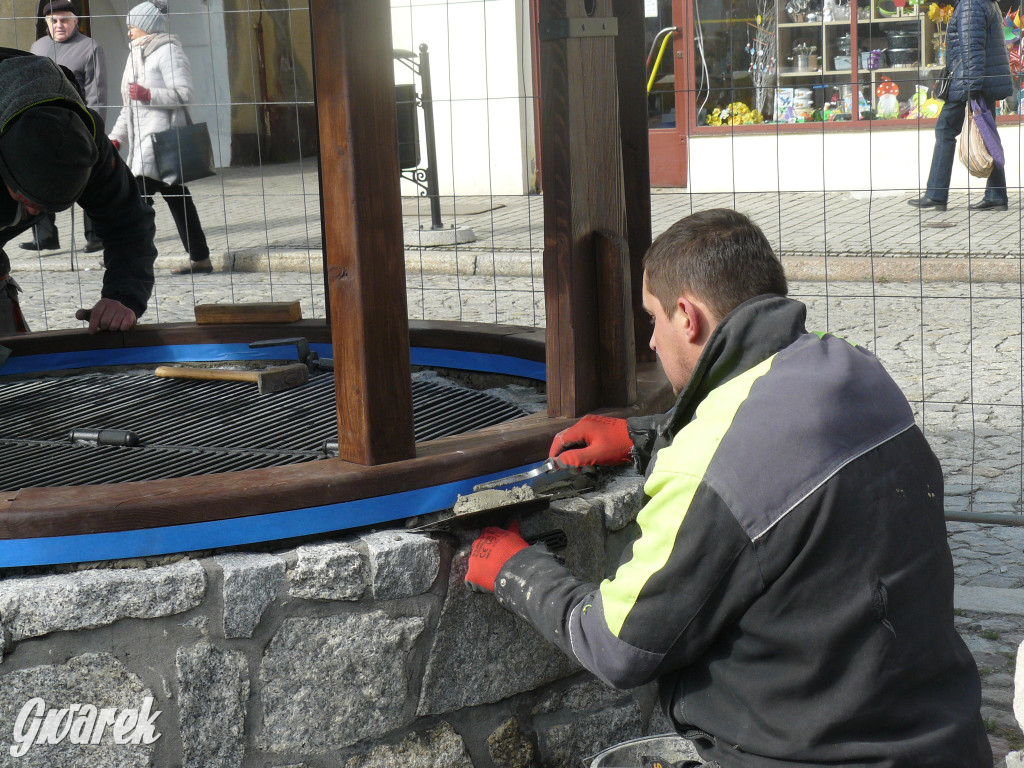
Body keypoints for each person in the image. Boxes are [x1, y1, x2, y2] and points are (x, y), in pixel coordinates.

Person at [465, 209, 992, 767]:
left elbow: (618, 646)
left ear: (687, 317)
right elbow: (768, 429)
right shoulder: (857, 370)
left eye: (653, 319)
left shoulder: (710, 472)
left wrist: (515, 570)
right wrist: (641, 436)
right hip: (945, 740)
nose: (651, 341)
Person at [0, 50, 156, 334]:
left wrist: (123, 296)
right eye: (24, 199)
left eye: (46, 207)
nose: (32, 213)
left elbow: (128, 222)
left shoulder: (85, 145)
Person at [109, 0, 212, 275]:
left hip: (163, 144)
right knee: (176, 201)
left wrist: (148, 94)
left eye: (132, 26)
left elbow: (184, 93)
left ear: (146, 26)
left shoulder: (168, 51)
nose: (129, 31)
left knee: (138, 203)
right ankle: (200, 258)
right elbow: (129, 106)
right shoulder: (134, 54)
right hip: (142, 147)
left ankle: (133, 259)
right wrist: (116, 138)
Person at [909, 0, 1012, 212]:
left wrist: (971, 88)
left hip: (968, 81)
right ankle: (996, 194)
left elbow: (972, 48)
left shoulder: (970, 4)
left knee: (945, 130)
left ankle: (936, 194)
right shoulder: (984, 2)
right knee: (987, 134)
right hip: (982, 80)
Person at [22, 0, 107, 253]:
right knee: (38, 179)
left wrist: (95, 128)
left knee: (87, 179)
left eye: (65, 20)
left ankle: (95, 236)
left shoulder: (90, 48)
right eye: (54, 21)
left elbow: (97, 93)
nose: (59, 25)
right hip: (44, 125)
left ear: (75, 21)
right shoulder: (38, 47)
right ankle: (45, 236)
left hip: (78, 126)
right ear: (46, 24)